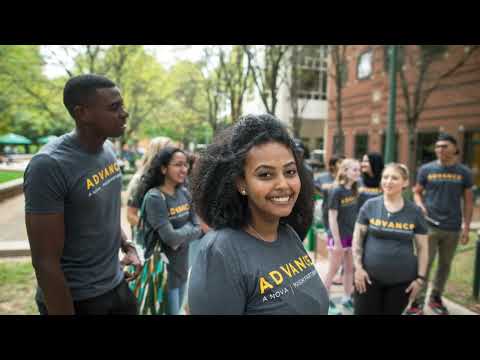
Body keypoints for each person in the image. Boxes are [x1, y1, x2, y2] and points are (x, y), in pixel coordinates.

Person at [188, 114, 328, 315]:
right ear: (241, 183)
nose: (283, 184)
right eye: (265, 175)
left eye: (289, 172)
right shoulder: (219, 252)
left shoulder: (288, 234)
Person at [24, 74, 141, 315]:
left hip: (117, 286)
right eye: (114, 107)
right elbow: (45, 262)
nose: (124, 113)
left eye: (122, 105)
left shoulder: (107, 150)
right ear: (82, 113)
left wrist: (126, 245)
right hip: (78, 300)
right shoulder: (48, 166)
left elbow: (101, 213)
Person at [406, 133, 474, 315]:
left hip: (452, 227)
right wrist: (420, 204)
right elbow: (417, 192)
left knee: (445, 265)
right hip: (428, 226)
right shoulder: (426, 169)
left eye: (444, 146)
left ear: (455, 149)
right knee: (424, 264)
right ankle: (417, 303)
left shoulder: (464, 172)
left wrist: (466, 227)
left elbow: (468, 201)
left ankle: (436, 298)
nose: (439, 150)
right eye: (437, 147)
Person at [352, 163, 429, 315]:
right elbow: (357, 240)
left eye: (394, 178)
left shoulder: (415, 212)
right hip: (368, 279)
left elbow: (423, 248)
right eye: (385, 177)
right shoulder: (370, 206)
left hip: (402, 283)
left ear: (405, 182)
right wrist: (358, 268)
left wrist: (420, 279)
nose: (388, 181)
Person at [138, 146, 203, 315]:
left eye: (186, 165)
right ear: (163, 168)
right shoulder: (155, 198)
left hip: (182, 268)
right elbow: (171, 239)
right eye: (178, 165)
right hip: (162, 273)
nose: (184, 169)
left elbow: (199, 228)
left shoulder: (184, 193)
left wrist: (181, 235)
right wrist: (186, 232)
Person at [323, 158, 361, 315]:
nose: (358, 173)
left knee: (349, 269)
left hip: (352, 236)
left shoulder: (354, 189)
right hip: (338, 238)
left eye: (359, 170)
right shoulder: (336, 190)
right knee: (333, 271)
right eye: (355, 170)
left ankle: (346, 297)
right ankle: (326, 301)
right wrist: (337, 242)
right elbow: (332, 218)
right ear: (345, 171)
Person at [126, 136, 173, 228]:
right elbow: (131, 216)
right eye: (169, 151)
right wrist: (157, 230)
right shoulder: (140, 179)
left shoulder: (171, 178)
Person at [314, 155, 345, 284]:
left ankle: (342, 274)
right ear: (333, 165)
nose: (343, 164)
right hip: (329, 215)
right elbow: (315, 189)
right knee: (332, 244)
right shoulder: (322, 178)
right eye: (340, 162)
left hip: (346, 216)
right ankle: (332, 275)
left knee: (346, 245)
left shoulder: (348, 178)